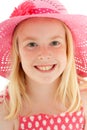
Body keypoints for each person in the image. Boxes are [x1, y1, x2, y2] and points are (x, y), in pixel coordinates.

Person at [0, 0, 87, 129]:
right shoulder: (7, 110)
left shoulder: (83, 99)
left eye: (55, 43)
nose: (44, 54)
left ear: (68, 48)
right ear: (17, 53)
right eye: (32, 44)